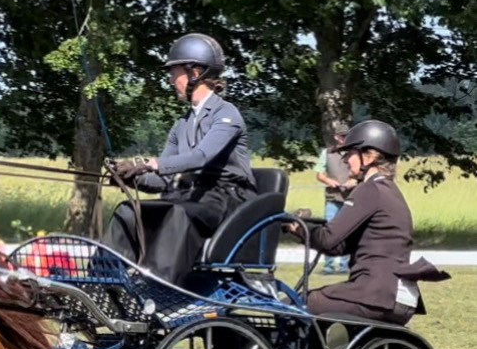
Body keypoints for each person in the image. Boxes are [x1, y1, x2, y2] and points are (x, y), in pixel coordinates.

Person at [105, 33, 257, 283]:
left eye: (174, 73)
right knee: (128, 211)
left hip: (229, 199)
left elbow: (201, 156)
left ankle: (159, 284)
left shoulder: (227, 115)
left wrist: (149, 163)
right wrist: (132, 177)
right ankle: (106, 280)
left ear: (195, 72)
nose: (170, 80)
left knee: (176, 212)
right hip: (190, 197)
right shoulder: (181, 125)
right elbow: (164, 180)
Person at [288, 119, 448, 325]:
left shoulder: (369, 189)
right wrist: (303, 230)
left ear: (370, 155)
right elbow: (338, 247)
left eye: (349, 153)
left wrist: (298, 226)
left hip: (376, 294)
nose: (345, 160)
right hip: (397, 296)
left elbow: (328, 239)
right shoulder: (389, 191)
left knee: (289, 305)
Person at [313, 119, 354, 274]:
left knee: (348, 231)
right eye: (342, 136)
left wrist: (353, 181)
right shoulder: (327, 153)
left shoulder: (354, 153)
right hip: (332, 197)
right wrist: (328, 180)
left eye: (347, 136)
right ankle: (329, 266)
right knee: (329, 231)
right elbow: (319, 173)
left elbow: (361, 173)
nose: (344, 139)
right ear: (337, 137)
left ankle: (345, 266)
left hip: (350, 197)